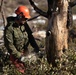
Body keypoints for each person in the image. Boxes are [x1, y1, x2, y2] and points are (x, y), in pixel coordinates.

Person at [4, 5, 40, 73]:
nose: (26, 20)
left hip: (25, 52)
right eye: (25, 18)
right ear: (19, 16)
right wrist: (19, 56)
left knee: (31, 70)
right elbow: (9, 45)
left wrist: (36, 48)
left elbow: (30, 37)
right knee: (21, 71)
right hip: (15, 56)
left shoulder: (24, 25)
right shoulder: (9, 29)